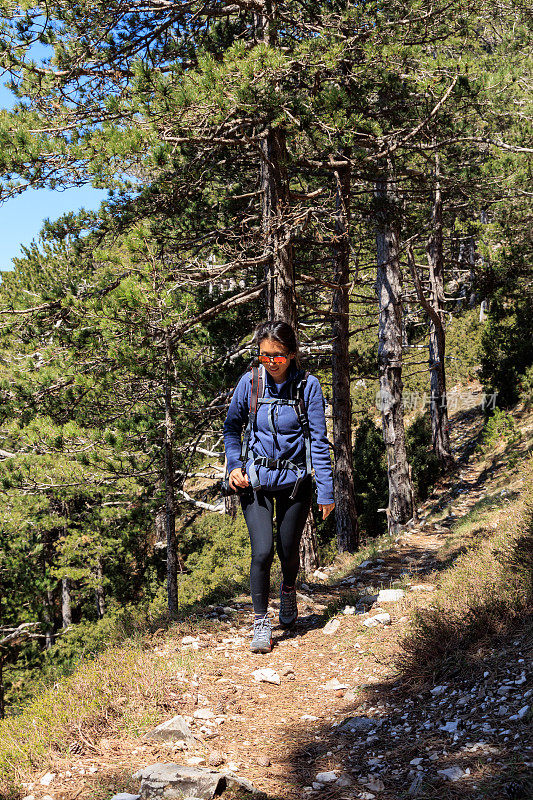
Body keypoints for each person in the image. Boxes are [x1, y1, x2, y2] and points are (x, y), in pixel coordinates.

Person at [223, 320, 335, 653]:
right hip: (254, 481)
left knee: (287, 551)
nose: (271, 362)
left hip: (294, 482)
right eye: (264, 356)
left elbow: (318, 440)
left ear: (292, 354)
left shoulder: (308, 386)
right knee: (262, 551)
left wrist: (326, 491)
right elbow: (232, 429)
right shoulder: (250, 383)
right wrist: (233, 467)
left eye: (278, 356)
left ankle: (288, 591)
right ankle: (261, 624)